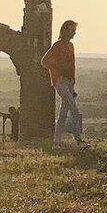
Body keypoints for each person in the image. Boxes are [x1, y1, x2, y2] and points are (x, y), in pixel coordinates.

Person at [41, 19, 87, 149]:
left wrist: (72, 82)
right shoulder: (57, 46)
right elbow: (44, 62)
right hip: (59, 81)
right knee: (74, 110)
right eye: (72, 30)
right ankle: (79, 140)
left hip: (68, 82)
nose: (74, 33)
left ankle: (56, 142)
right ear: (65, 30)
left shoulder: (70, 46)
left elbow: (72, 65)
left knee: (63, 114)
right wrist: (56, 67)